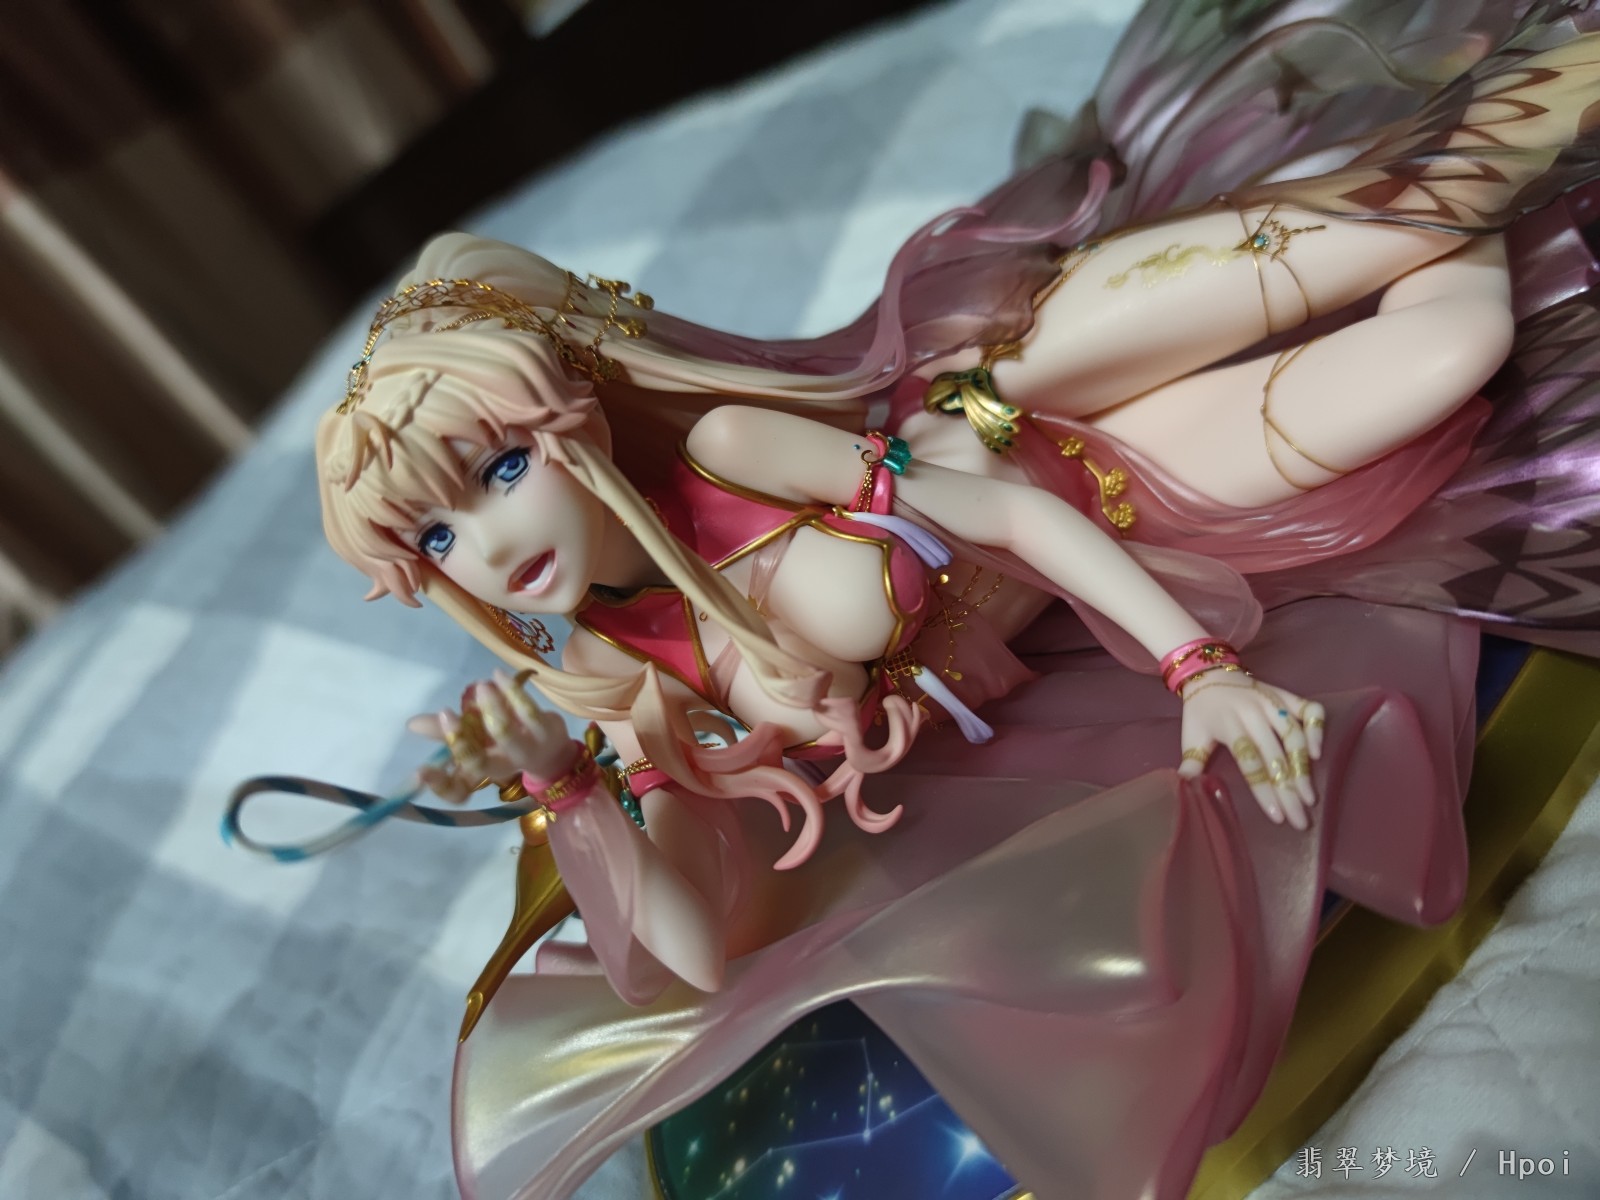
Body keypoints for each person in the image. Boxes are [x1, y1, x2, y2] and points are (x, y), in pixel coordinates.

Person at [308, 2, 1600, 1196]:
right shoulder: (626, 680)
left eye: (501, 470)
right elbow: (698, 957)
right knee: (1453, 342)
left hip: (1028, 382)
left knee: (1424, 200)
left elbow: (1005, 511)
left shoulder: (729, 454)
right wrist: (567, 787)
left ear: (574, 422)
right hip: (1151, 498)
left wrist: (1198, 668)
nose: (489, 546)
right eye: (435, 536)